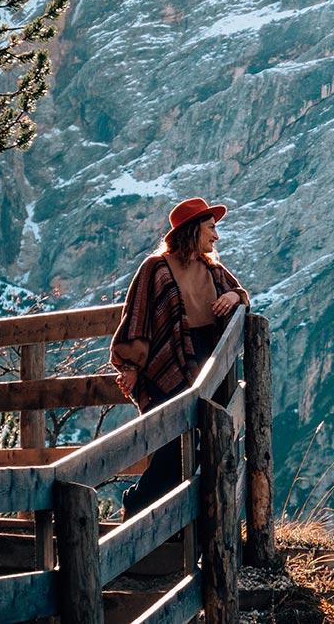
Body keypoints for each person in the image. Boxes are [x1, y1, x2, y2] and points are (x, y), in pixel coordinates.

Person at [110, 196, 250, 519]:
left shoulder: (213, 270)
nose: (216, 236)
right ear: (192, 230)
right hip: (168, 364)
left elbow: (242, 296)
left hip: (206, 364)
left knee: (204, 447)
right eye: (211, 228)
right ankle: (138, 508)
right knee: (171, 448)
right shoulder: (155, 269)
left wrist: (232, 296)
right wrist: (131, 366)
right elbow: (139, 317)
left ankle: (173, 525)